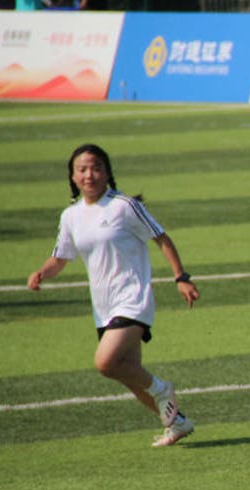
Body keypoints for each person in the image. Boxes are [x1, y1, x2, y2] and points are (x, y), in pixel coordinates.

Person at [27, 144, 199, 447]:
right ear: (72, 176)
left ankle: (162, 389)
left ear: (107, 173)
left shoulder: (123, 206)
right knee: (129, 376)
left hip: (133, 298)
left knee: (105, 363)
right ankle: (178, 423)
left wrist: (180, 278)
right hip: (104, 308)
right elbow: (60, 257)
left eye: (95, 168)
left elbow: (161, 238)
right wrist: (42, 273)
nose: (89, 175)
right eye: (82, 169)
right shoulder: (71, 216)